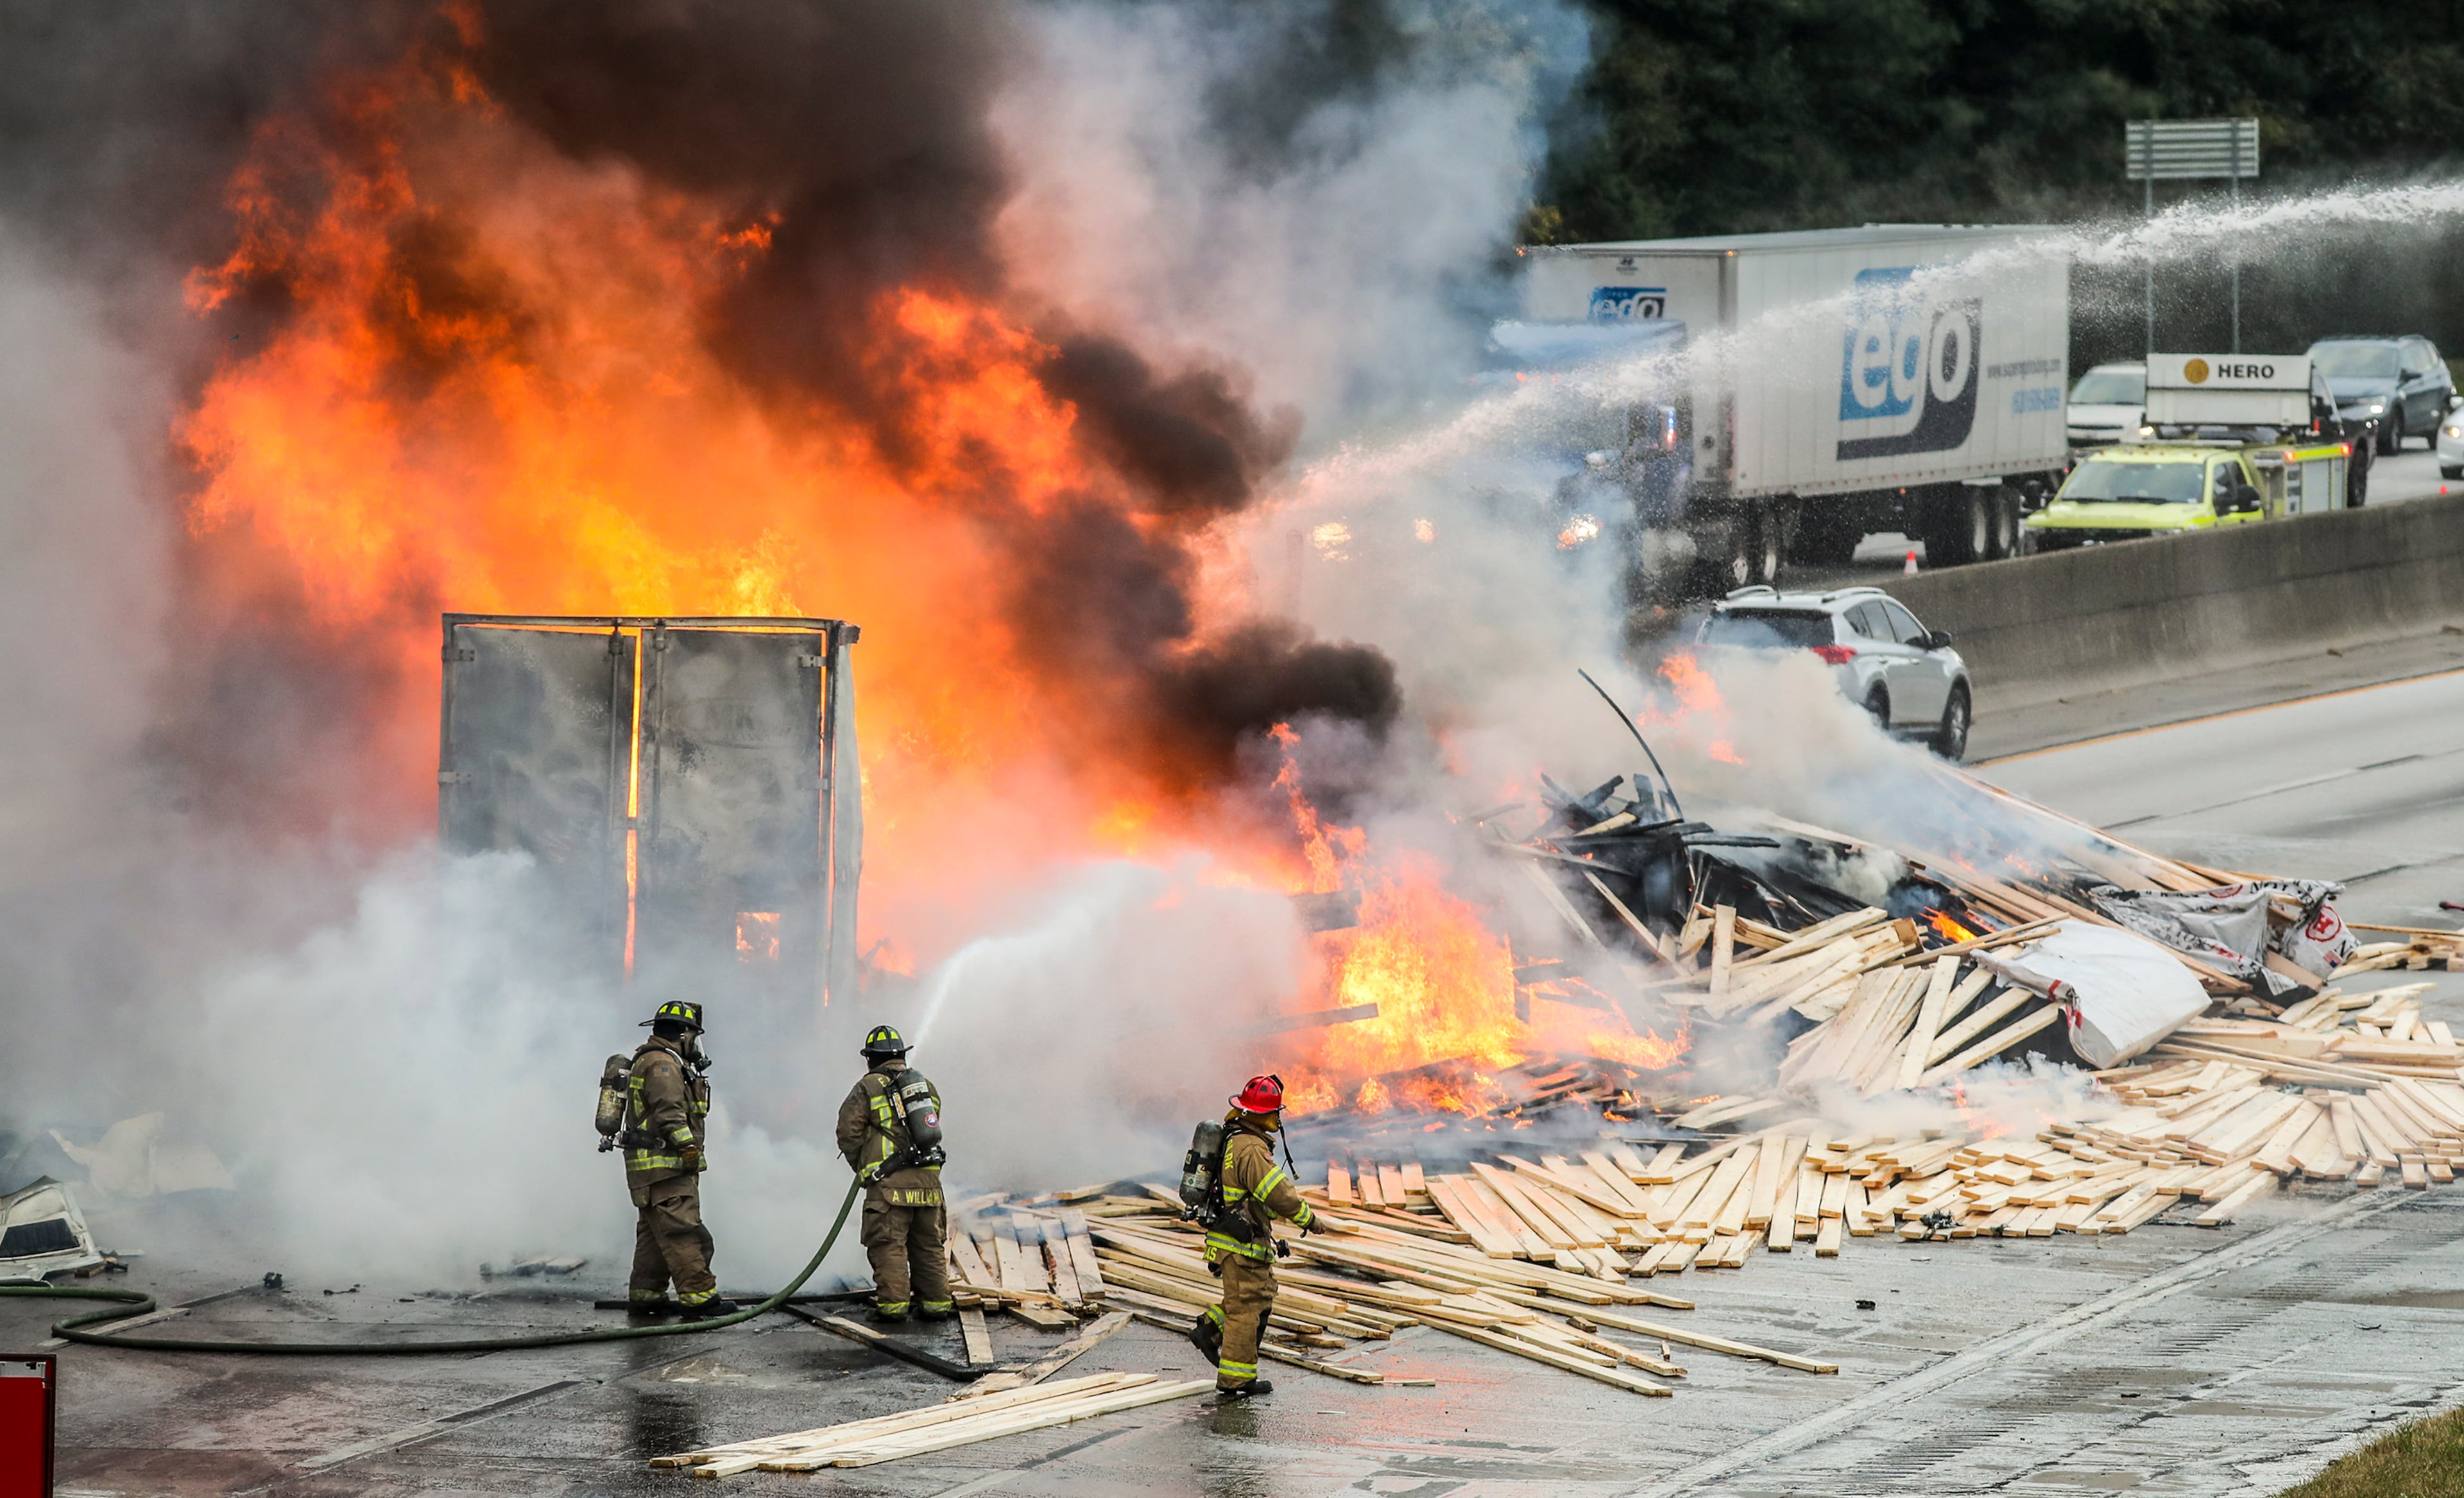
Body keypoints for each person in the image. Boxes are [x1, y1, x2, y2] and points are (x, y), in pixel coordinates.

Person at [1192, 1074, 1321, 1399]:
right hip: (1241, 1243)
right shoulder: (1250, 1148)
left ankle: (1210, 1329)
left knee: (1258, 1297)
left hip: (1242, 1238)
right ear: (1263, 1114)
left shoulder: (1239, 1139)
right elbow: (1277, 1192)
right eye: (1275, 1112)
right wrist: (1309, 1219)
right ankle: (1236, 1381)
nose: (1278, 1118)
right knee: (1246, 1308)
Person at [622, 1000, 737, 1318]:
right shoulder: (663, 1065)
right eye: (694, 1037)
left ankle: (646, 1293)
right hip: (666, 1166)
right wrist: (689, 1152)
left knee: (654, 1233)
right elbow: (670, 1114)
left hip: (652, 1170)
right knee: (682, 1231)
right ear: (684, 1035)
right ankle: (699, 1294)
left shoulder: (656, 1060)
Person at [835, 1025, 953, 1322]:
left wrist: (864, 1167)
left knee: (889, 1247)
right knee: (928, 1246)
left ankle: (893, 1308)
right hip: (929, 1186)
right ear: (901, 1055)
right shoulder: (925, 1087)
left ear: (871, 1059)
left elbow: (847, 1132)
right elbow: (930, 1126)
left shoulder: (867, 1087)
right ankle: (937, 1305)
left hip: (889, 1189)